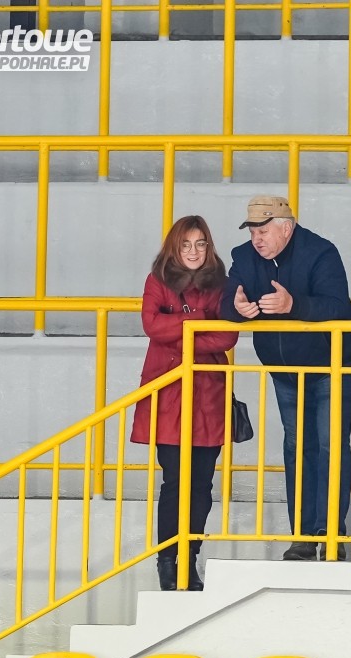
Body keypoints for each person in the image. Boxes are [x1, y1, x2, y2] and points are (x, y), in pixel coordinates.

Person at [220, 195, 351, 561]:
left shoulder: (321, 252)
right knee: (297, 447)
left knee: (330, 446)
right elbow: (226, 301)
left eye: (264, 231)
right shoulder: (243, 256)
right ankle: (302, 534)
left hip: (333, 366)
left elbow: (339, 309)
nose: (257, 239)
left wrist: (293, 305)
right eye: (252, 231)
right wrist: (235, 307)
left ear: (286, 228)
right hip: (284, 371)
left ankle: (331, 533)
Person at [130, 215, 239, 592]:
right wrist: (199, 321)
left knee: (202, 485)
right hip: (168, 394)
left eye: (200, 244)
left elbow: (226, 337)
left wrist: (177, 325)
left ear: (209, 247)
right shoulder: (156, 280)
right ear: (174, 248)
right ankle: (167, 560)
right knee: (175, 482)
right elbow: (151, 325)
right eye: (186, 244)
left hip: (207, 395)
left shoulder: (222, 283)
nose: (193, 251)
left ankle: (189, 559)